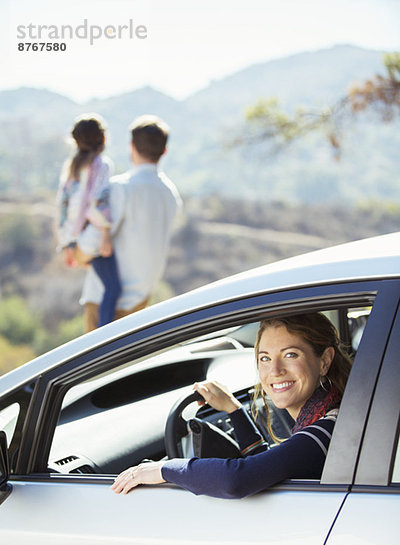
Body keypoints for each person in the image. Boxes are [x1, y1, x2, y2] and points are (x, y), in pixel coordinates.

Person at [111, 312, 353, 499]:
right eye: (265, 358)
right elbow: (271, 468)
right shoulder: (328, 417)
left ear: (324, 361)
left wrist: (162, 469)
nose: (275, 371)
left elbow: (239, 479)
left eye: (291, 355)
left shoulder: (329, 431)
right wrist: (234, 410)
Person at [81, 114, 182, 333]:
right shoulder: (170, 194)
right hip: (141, 303)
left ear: (131, 146)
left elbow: (91, 242)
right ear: (164, 151)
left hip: (104, 304)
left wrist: (77, 253)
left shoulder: (120, 187)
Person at [57, 114, 121, 328]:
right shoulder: (101, 165)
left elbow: (63, 206)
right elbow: (97, 202)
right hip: (92, 238)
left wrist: (66, 243)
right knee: (113, 289)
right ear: (103, 139)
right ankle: (105, 339)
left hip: (75, 242)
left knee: (105, 287)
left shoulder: (72, 167)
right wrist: (105, 235)